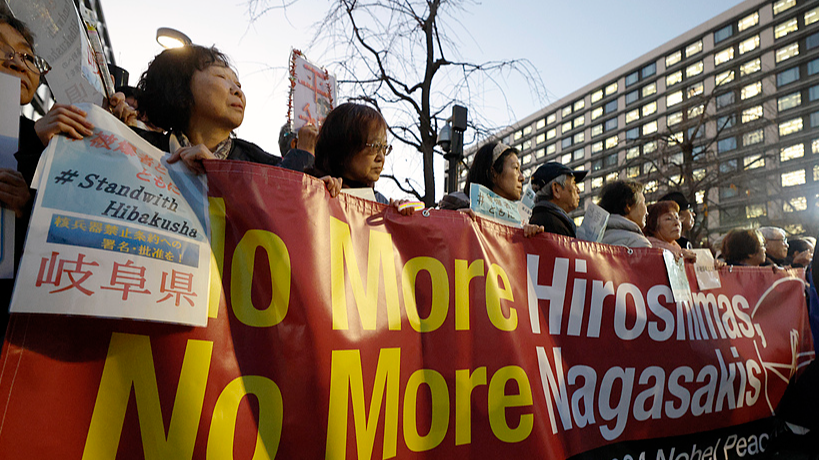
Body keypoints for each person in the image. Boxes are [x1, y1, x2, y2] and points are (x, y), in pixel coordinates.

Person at [136, 45, 308, 175]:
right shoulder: (138, 147)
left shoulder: (258, 162)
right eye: (221, 77)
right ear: (179, 88)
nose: (237, 91)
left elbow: (285, 200)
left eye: (238, 85)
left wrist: (321, 185)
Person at [439, 141, 543, 237]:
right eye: (515, 168)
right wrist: (451, 223)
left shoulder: (518, 221)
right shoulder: (456, 211)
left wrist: (528, 238)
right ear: (493, 173)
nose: (522, 177)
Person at [529, 162, 587, 237]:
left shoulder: (541, 218)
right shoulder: (553, 225)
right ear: (556, 189)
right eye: (573, 183)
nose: (578, 190)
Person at [598, 180, 651, 248]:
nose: (646, 212)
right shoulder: (638, 243)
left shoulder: (590, 239)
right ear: (628, 205)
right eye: (643, 203)